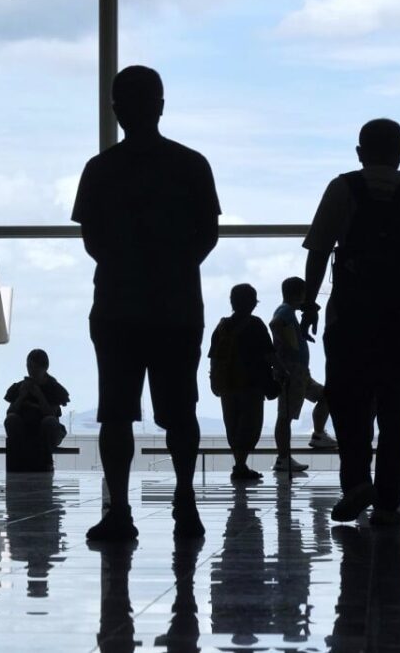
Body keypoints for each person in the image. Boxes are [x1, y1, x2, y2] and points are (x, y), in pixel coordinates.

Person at [74, 66, 219, 541]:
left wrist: (128, 267)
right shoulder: (191, 164)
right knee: (181, 409)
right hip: (176, 306)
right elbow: (208, 236)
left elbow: (92, 240)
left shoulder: (100, 170)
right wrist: (173, 268)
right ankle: (185, 498)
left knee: (116, 412)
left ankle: (120, 509)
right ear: (161, 104)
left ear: (115, 111)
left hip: (118, 305)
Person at [301, 118, 400, 525]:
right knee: (396, 410)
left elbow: (317, 252)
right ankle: (388, 499)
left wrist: (310, 304)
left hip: (349, 322)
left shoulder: (341, 189)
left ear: (360, 153)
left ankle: (356, 483)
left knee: (349, 406)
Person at [208, 283, 277, 482]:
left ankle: (240, 465)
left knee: (233, 424)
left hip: (227, 384)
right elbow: (269, 354)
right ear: (253, 303)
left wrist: (214, 380)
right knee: (250, 425)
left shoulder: (221, 326)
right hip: (250, 384)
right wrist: (282, 371)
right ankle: (240, 466)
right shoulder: (255, 324)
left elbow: (214, 357)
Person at [270, 276, 335, 475]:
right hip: (292, 372)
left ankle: (318, 434)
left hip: (301, 372)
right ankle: (283, 458)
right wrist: (287, 345)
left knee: (327, 396)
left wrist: (298, 336)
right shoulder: (286, 310)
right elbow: (275, 324)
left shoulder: (288, 312)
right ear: (299, 294)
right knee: (286, 415)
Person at [3, 349, 69, 472]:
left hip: (48, 430)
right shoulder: (19, 387)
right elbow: (10, 412)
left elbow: (52, 414)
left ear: (45, 368)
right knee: (11, 419)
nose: (31, 371)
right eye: (29, 367)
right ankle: (19, 462)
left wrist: (39, 395)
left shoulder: (53, 388)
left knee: (48, 421)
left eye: (35, 367)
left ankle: (46, 462)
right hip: (25, 427)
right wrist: (21, 396)